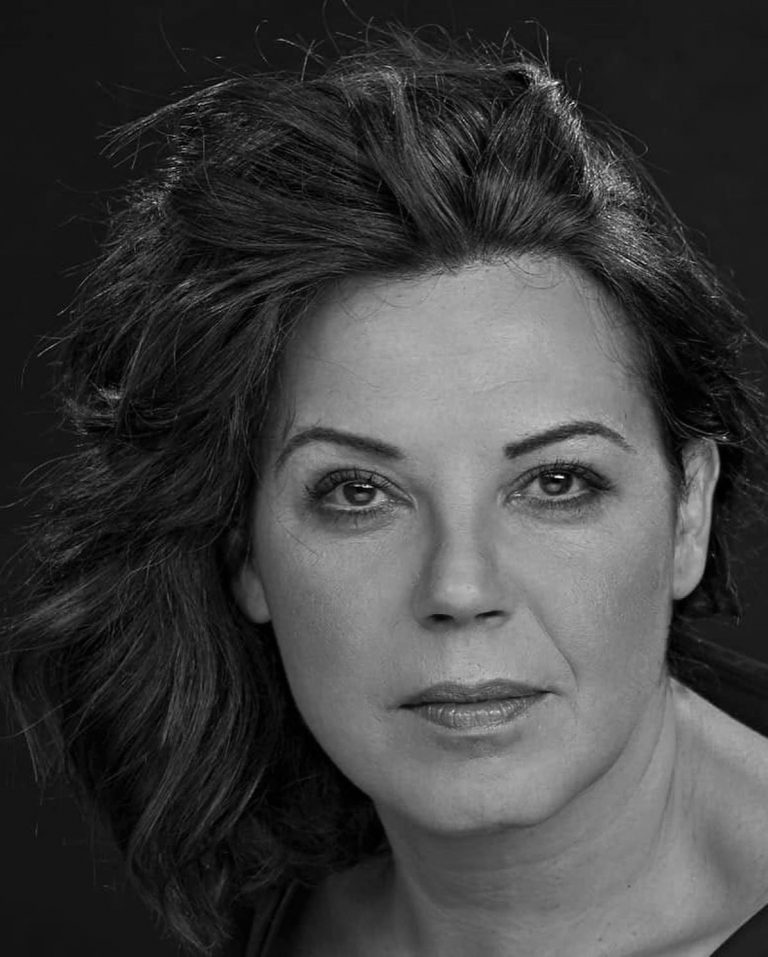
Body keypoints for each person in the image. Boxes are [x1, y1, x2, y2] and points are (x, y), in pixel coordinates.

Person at [4, 26, 768, 957]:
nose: (459, 587)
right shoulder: (271, 904)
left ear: (687, 514)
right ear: (243, 548)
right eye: (359, 491)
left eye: (556, 481)